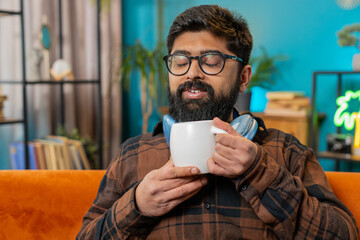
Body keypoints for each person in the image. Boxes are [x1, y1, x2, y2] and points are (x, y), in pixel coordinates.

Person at [77, 5, 358, 239]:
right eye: (180, 60)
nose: (193, 73)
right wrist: (137, 204)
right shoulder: (133, 153)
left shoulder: (286, 151)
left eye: (211, 61)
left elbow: (342, 234)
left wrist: (259, 173)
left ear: (244, 77)